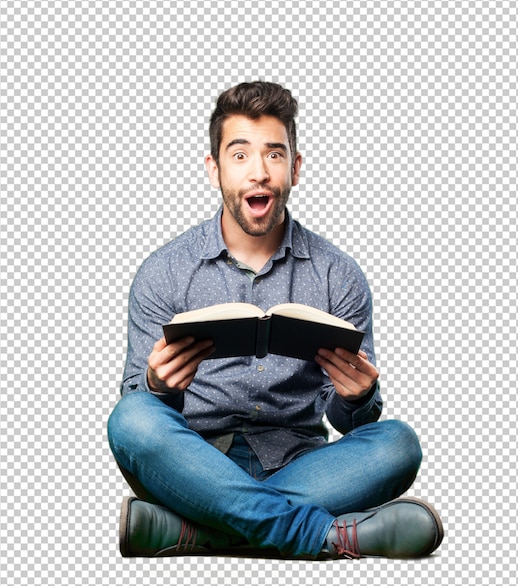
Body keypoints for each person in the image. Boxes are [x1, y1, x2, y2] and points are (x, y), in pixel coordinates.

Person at [108, 81, 443, 560]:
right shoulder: (164, 270)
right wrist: (158, 385)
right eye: (240, 155)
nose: (259, 173)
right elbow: (137, 400)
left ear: (295, 167)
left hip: (304, 464)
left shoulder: (338, 275)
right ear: (214, 169)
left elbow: (350, 422)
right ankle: (319, 535)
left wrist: (360, 397)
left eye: (274, 154)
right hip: (194, 461)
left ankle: (205, 531)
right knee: (132, 419)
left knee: (398, 444)